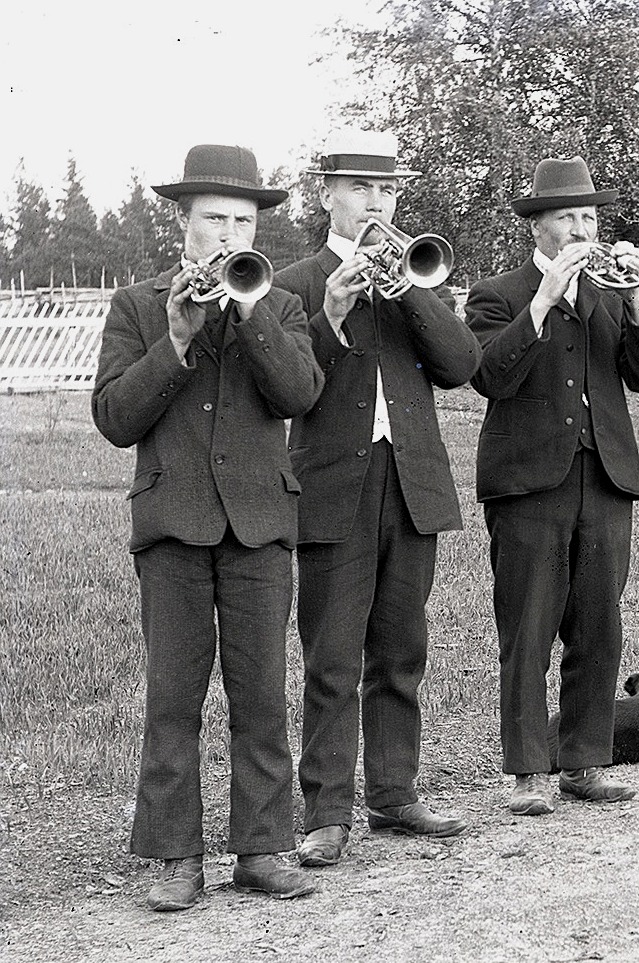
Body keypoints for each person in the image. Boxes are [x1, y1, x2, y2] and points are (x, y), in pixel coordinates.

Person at [91, 144, 322, 910]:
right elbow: (117, 418)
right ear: (181, 224)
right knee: (173, 698)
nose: (228, 234)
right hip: (172, 525)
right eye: (213, 219)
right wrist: (178, 338)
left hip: (259, 524)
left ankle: (261, 848)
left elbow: (297, 393)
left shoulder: (280, 303)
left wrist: (250, 312)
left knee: (261, 694)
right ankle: (172, 857)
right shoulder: (136, 304)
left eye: (243, 221)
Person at [273, 129, 481, 865]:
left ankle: (394, 795)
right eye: (360, 189)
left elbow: (460, 365)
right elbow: (292, 389)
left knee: (401, 651)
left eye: (386, 190)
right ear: (326, 194)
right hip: (333, 488)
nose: (374, 202)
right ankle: (326, 813)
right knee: (331, 655)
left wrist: (414, 294)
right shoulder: (295, 283)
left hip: (411, 485)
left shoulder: (416, 277)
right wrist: (329, 314)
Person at [464, 155, 639, 815]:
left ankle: (584, 761)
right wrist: (542, 302)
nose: (582, 228)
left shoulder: (613, 293)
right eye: (568, 218)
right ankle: (527, 772)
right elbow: (486, 376)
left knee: (598, 630)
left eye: (588, 216)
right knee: (526, 633)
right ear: (539, 226)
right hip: (528, 486)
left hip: (605, 481)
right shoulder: (496, 293)